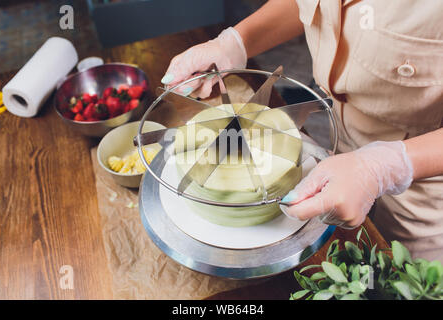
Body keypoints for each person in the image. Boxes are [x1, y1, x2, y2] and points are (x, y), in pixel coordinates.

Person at [161, 0, 443, 261]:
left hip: (422, 182)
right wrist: (236, 42)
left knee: (395, 277)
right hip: (339, 152)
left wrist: (389, 166)